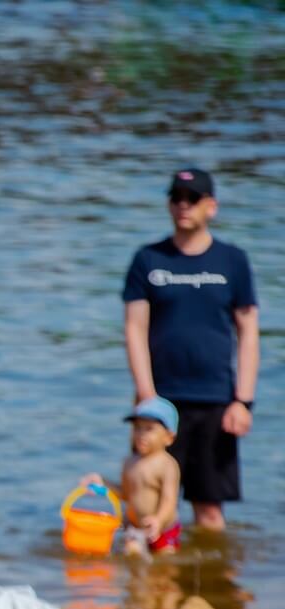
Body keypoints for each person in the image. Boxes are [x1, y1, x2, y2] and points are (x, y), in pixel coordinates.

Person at [122, 167, 261, 531]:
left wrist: (243, 401)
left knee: (210, 511)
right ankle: (154, 584)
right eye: (176, 198)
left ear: (211, 206)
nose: (184, 205)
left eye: (193, 199)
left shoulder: (232, 261)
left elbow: (248, 332)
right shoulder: (148, 260)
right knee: (147, 507)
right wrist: (147, 398)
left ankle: (211, 587)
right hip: (160, 401)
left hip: (216, 399)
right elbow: (134, 328)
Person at [84, 398, 182, 558]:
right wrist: (103, 483)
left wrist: (158, 520)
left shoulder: (167, 465)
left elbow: (169, 500)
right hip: (135, 527)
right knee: (133, 560)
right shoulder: (129, 462)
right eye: (137, 428)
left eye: (149, 429)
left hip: (162, 528)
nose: (141, 434)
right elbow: (125, 494)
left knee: (165, 569)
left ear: (168, 437)